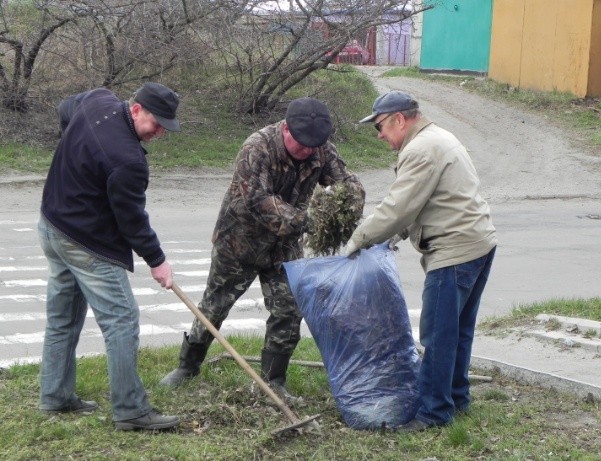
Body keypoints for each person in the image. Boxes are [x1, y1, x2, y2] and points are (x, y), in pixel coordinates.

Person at [160, 97, 365, 400]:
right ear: (285, 128)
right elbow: (257, 200)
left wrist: (347, 208)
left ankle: (273, 381)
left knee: (288, 309)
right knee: (215, 305)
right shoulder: (258, 147)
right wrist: (307, 220)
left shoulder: (321, 150)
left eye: (313, 146)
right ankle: (187, 365)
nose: (307, 151)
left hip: (283, 247)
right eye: (300, 144)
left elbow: (348, 184)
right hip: (239, 241)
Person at [345, 91, 497, 431]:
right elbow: (425, 201)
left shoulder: (420, 149)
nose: (380, 135)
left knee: (437, 335)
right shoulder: (438, 137)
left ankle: (433, 412)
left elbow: (397, 208)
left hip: (454, 252)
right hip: (478, 243)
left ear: (400, 119)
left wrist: (358, 240)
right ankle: (457, 398)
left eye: (380, 126)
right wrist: (396, 235)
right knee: (458, 332)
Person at [38, 83, 182, 431]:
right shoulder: (128, 162)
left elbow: (64, 107)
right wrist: (158, 261)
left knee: (63, 316)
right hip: (85, 242)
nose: (159, 132)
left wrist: (77, 160)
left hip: (52, 225)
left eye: (165, 126)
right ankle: (131, 410)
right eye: (155, 123)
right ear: (136, 110)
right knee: (122, 320)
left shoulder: (96, 100)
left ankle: (55, 397)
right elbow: (132, 221)